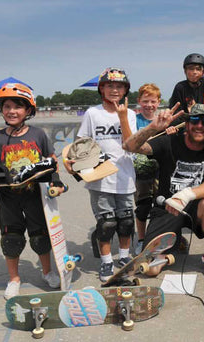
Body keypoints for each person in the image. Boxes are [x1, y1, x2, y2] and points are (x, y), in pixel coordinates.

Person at [0, 83, 65, 299]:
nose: (12, 111)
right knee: (11, 239)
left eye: (18, 107)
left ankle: (47, 272)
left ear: (28, 111)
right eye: (7, 106)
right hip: (8, 198)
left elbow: (51, 161)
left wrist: (56, 182)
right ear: (1, 110)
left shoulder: (38, 135)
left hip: (35, 196)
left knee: (40, 237)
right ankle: (14, 279)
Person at [123, 103, 204, 283]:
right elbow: (130, 146)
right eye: (195, 120)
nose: (200, 125)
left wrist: (185, 195)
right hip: (167, 206)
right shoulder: (168, 140)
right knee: (150, 270)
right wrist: (152, 128)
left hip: (196, 207)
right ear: (187, 124)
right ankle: (172, 244)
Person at [64, 68, 137, 282]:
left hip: (125, 176)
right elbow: (81, 143)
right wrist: (72, 162)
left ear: (125, 89)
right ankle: (106, 261)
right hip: (99, 178)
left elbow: (130, 144)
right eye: (110, 86)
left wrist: (122, 116)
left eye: (119, 86)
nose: (115, 90)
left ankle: (123, 257)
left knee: (126, 221)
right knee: (106, 224)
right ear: (101, 89)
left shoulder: (131, 114)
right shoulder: (92, 113)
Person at [133, 84, 161, 255]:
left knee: (160, 206)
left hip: (160, 170)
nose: (149, 105)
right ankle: (142, 239)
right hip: (140, 170)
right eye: (145, 101)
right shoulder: (133, 119)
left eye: (153, 101)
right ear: (139, 101)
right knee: (143, 207)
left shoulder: (163, 119)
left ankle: (158, 238)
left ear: (158, 102)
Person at [169, 53, 204, 122]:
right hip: (186, 126)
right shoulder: (180, 87)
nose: (194, 72)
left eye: (198, 69)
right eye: (191, 69)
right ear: (185, 71)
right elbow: (175, 114)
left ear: (203, 72)